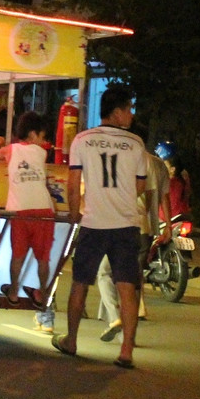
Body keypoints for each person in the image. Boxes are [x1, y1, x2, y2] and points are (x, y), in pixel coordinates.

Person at [53, 84, 146, 369]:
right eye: (128, 109)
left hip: (93, 222)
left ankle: (71, 339)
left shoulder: (82, 140)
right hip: (126, 224)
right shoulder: (136, 144)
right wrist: (122, 197)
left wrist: (73, 213)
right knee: (127, 287)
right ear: (117, 113)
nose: (131, 115)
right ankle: (126, 351)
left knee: (81, 282)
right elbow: (140, 186)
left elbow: (72, 182)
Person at [0, 111, 55, 309]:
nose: (43, 141)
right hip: (44, 211)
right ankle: (42, 294)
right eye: (42, 136)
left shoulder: (10, 149)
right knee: (43, 258)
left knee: (18, 255)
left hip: (20, 210)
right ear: (32, 135)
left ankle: (13, 292)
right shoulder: (42, 153)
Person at [96, 150, 171, 340]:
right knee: (132, 280)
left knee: (105, 273)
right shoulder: (156, 164)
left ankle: (115, 318)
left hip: (118, 225)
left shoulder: (120, 159)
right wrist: (167, 226)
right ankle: (128, 336)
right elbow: (162, 197)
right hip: (144, 228)